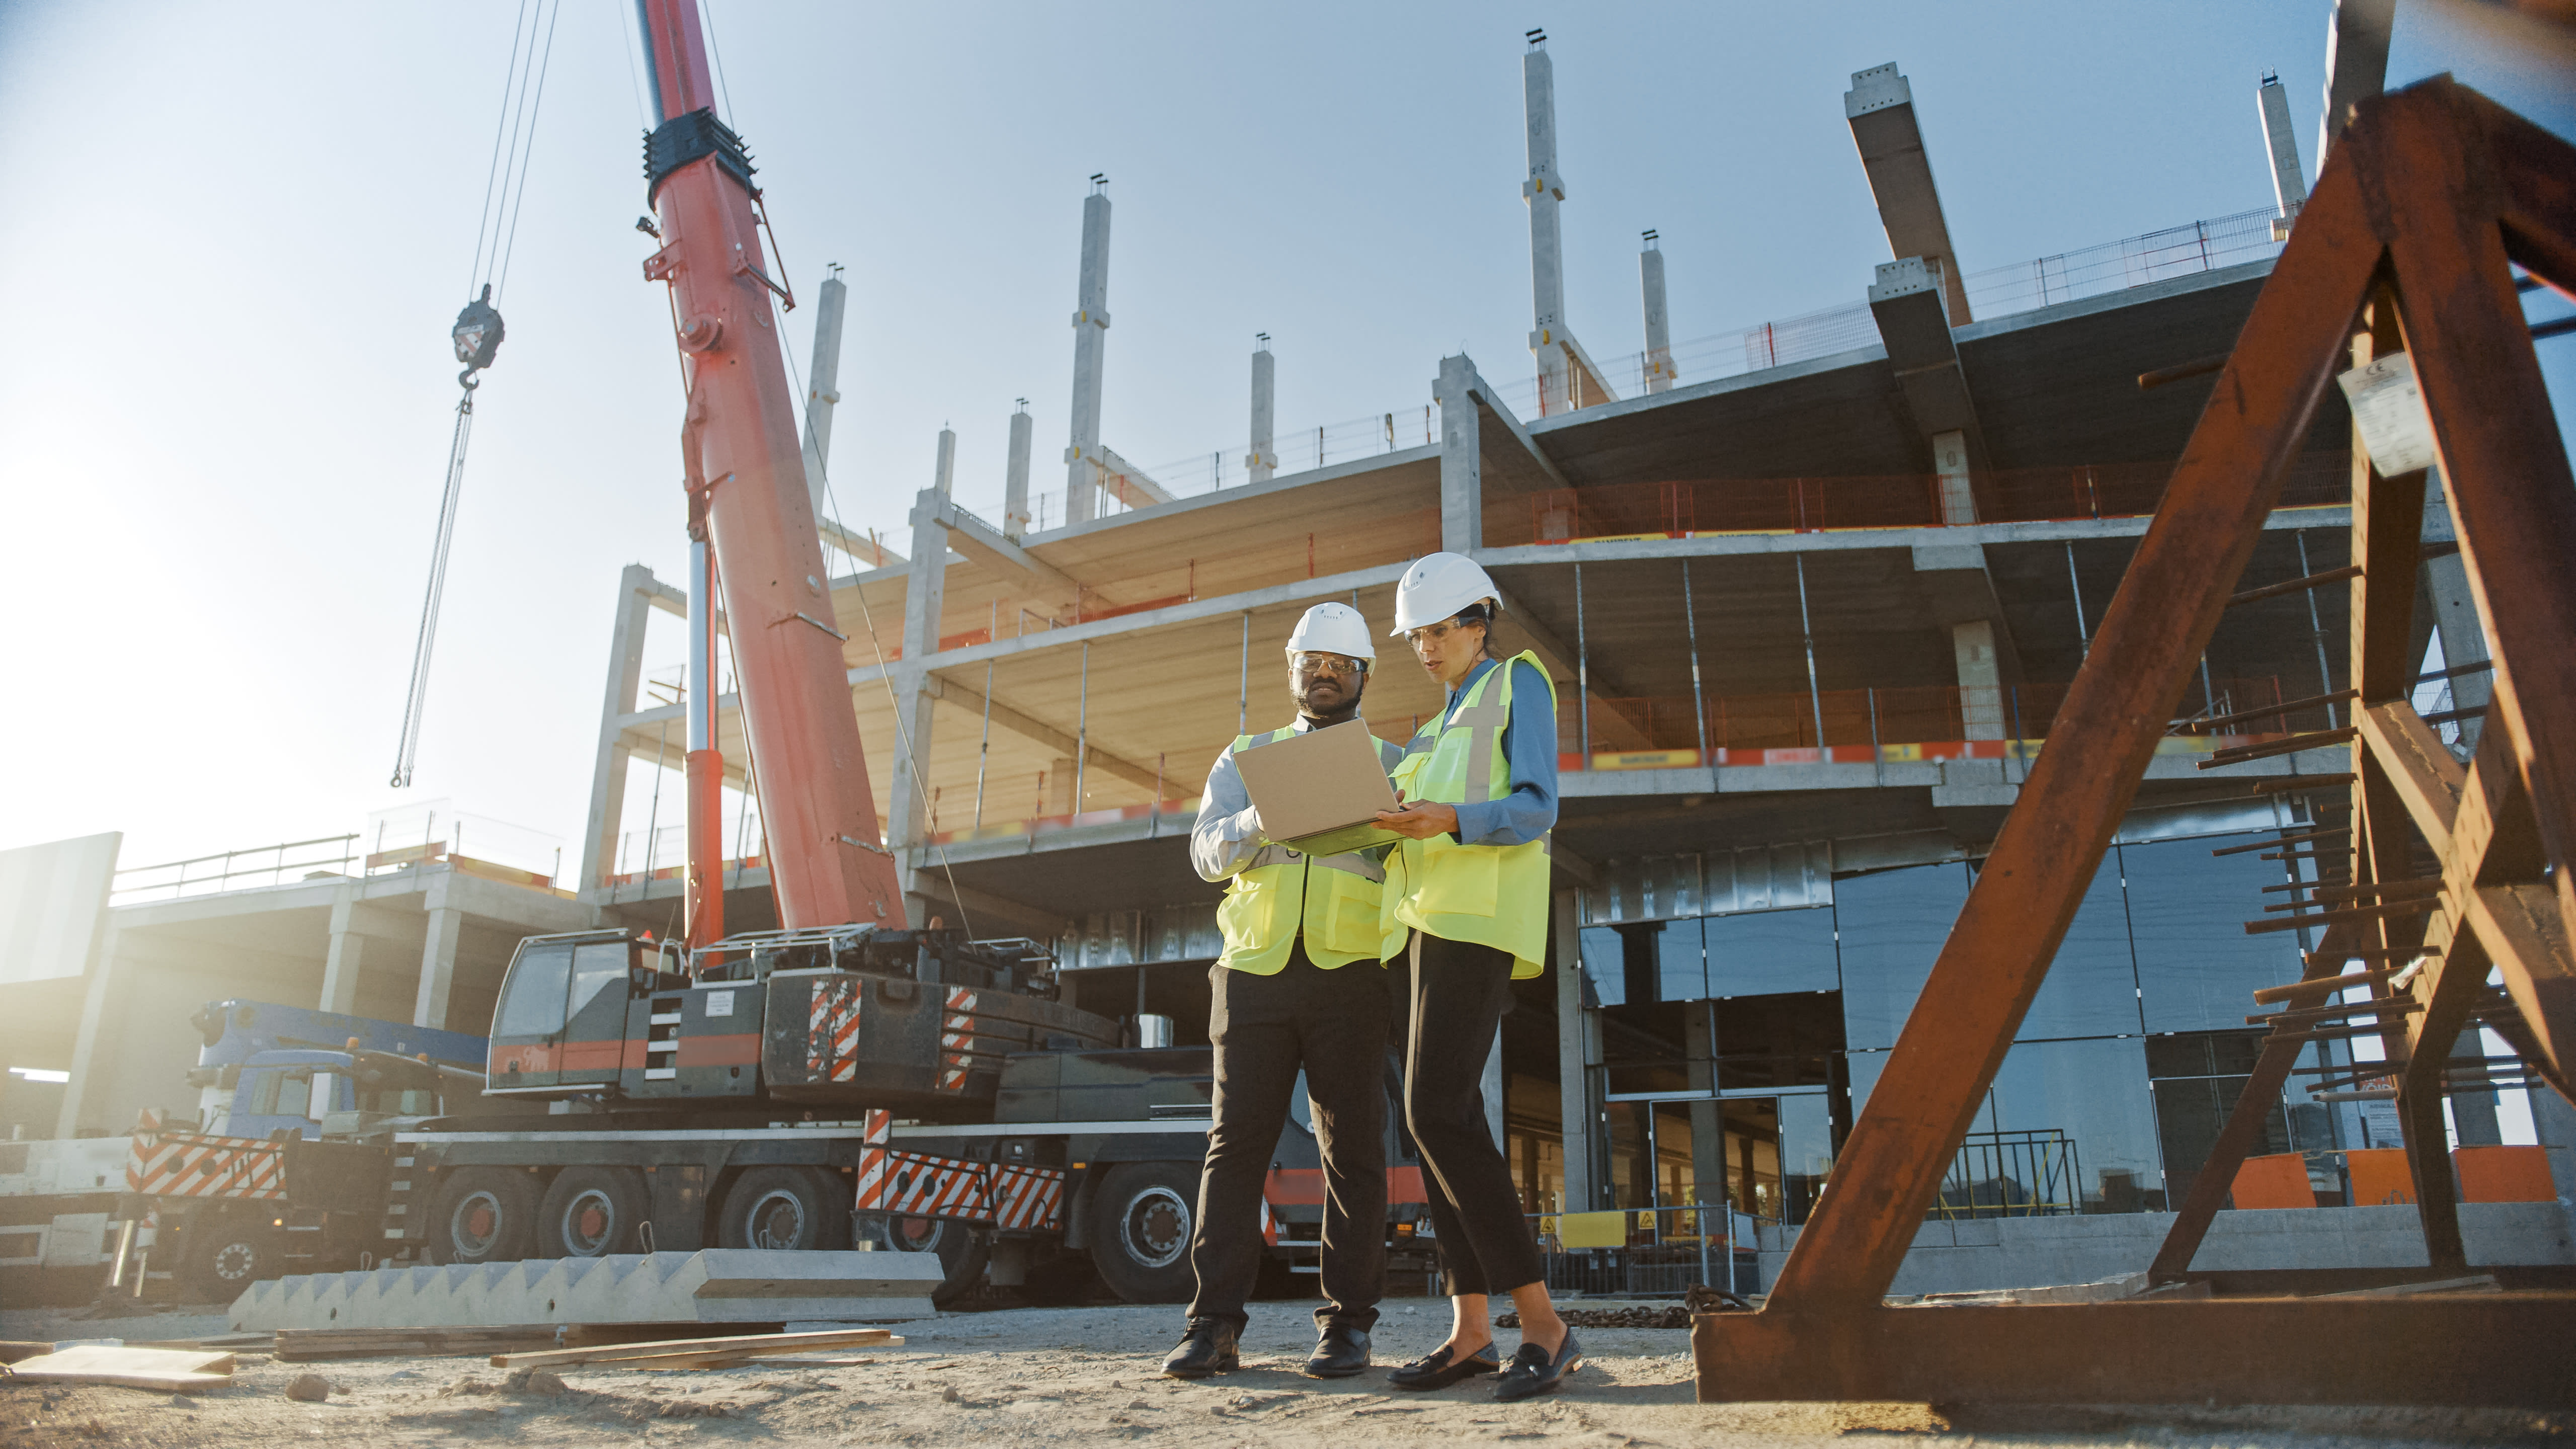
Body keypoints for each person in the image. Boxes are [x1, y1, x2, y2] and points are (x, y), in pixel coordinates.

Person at [1161, 601, 1410, 1382]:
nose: (1325, 674)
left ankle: (1347, 1327)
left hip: (1352, 972)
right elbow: (1205, 855)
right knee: (1234, 1151)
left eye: (1339, 664)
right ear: (1292, 670)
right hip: (1255, 972)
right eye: (1312, 663)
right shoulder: (1246, 757)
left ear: (1363, 674)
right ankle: (1212, 1327)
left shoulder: (1396, 761)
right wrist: (1266, 816)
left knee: (1354, 1154)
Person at [1371, 552, 1580, 1402]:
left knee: (1433, 1110)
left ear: (1477, 622)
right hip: (1417, 930)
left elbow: (1536, 807)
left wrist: (1448, 817)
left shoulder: (1517, 684)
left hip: (1477, 924)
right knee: (1437, 1122)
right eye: (1414, 635)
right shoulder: (1434, 726)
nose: (1425, 646)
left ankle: (1544, 1326)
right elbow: (1415, 829)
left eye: (1437, 630)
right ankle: (1471, 1333)